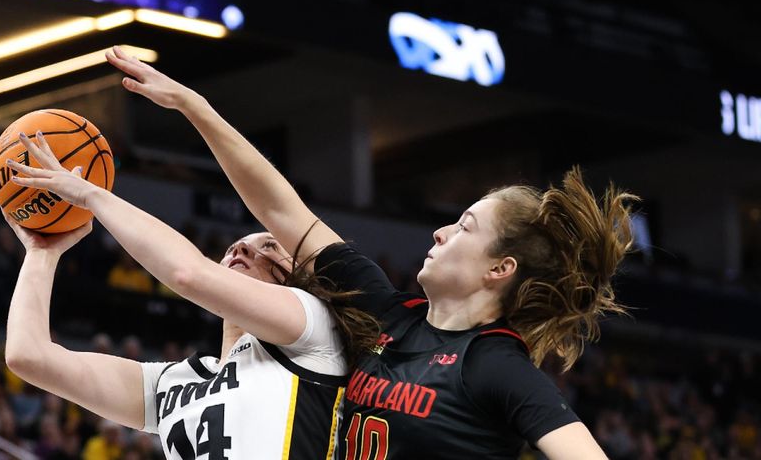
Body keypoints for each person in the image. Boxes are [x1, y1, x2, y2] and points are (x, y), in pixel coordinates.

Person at [99, 45, 640, 459]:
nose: (440, 234)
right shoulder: (384, 312)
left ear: (500, 269)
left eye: (464, 227)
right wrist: (195, 107)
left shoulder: (494, 365)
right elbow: (283, 211)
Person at [3, 133, 380, 459]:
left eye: (269, 246)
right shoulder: (172, 383)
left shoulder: (313, 327)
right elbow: (28, 356)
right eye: (234, 247)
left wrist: (89, 195)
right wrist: (41, 254)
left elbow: (188, 273)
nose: (242, 251)